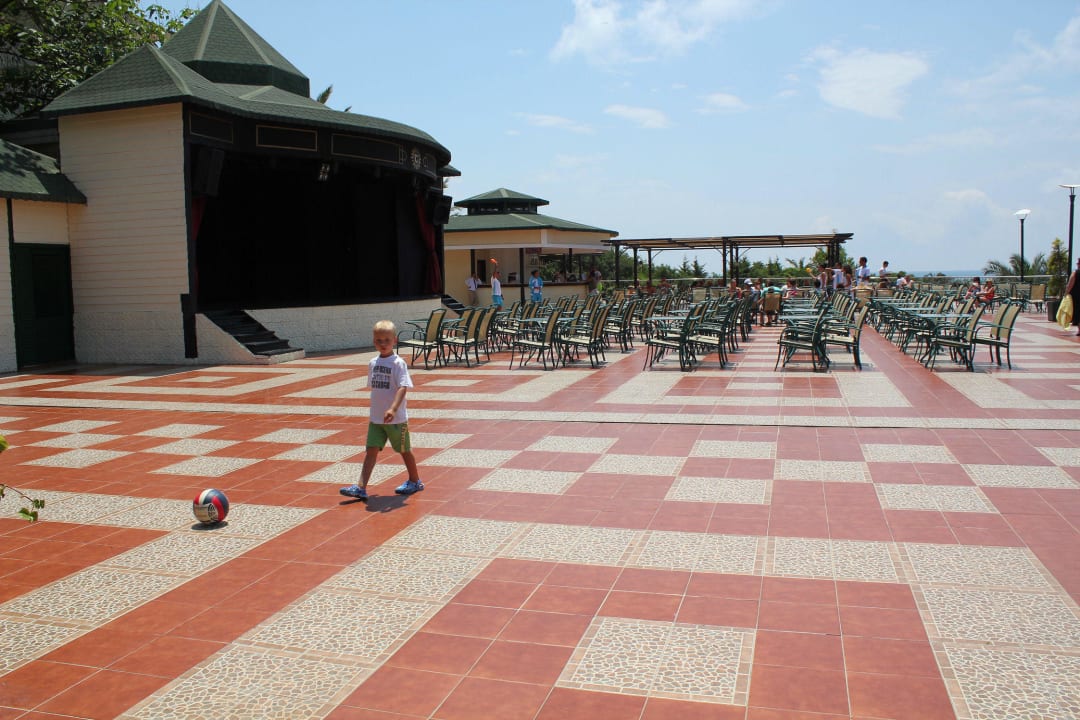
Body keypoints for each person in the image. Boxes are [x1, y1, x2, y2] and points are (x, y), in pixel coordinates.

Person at [340, 320, 423, 501]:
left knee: (404, 450)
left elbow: (402, 387)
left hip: (396, 420)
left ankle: (415, 480)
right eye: (379, 340)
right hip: (376, 419)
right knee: (371, 450)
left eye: (387, 340)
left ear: (394, 340)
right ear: (374, 341)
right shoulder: (373, 363)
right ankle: (361, 487)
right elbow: (376, 389)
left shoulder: (398, 363)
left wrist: (393, 408)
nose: (383, 344)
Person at [1066, 258, 1080, 336]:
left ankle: (1079, 330)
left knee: (1078, 313)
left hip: (1077, 296)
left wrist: (1066, 293)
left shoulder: (1075, 273)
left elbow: (1069, 285)